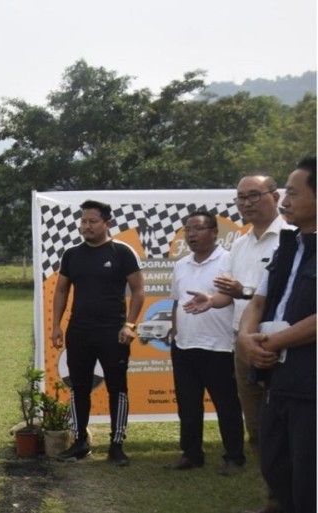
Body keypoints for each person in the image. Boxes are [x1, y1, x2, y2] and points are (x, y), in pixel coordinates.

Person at [178, 175, 285, 510]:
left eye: (254, 195)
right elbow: (232, 296)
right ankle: (274, 496)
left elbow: (267, 296)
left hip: (280, 343)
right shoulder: (241, 243)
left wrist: (242, 293)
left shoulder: (292, 238)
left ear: (276, 196)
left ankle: (292, 492)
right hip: (243, 344)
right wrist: (213, 300)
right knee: (256, 425)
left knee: (288, 424)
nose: (247, 202)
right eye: (241, 197)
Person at [237, 157, 315, 513]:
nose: (285, 201)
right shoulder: (288, 247)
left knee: (307, 474)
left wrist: (275, 342)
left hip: (309, 382)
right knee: (274, 461)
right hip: (276, 377)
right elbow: (258, 301)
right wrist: (245, 338)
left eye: (294, 193)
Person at [51, 199, 145, 466]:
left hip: (113, 333)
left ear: (107, 223)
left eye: (93, 221)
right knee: (79, 387)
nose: (86, 226)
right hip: (79, 331)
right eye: (83, 221)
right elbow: (61, 290)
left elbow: (138, 291)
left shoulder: (122, 252)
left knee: (118, 388)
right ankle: (80, 442)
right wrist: (56, 325)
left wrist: (130, 325)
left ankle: (117, 445)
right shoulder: (72, 255)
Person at [168, 211, 245, 475]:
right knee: (188, 406)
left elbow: (239, 298)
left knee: (227, 406)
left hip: (219, 347)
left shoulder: (229, 261)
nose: (191, 234)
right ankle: (191, 454)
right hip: (184, 346)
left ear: (214, 232)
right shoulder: (181, 265)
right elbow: (177, 302)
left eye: (198, 229)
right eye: (187, 229)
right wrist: (175, 334)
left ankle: (234, 457)